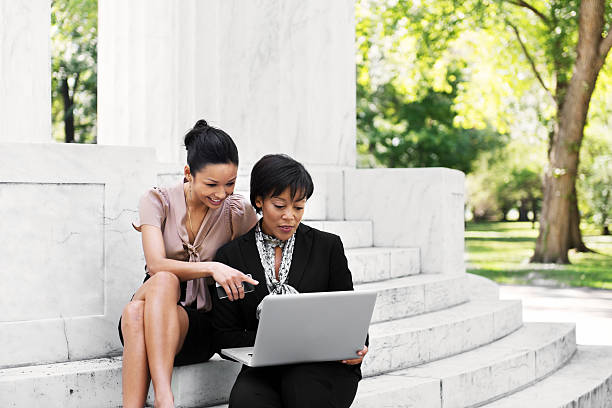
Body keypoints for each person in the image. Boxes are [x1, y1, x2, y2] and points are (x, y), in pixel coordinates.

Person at [118, 120, 259, 408]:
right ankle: (164, 398)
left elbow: (268, 246)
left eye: (230, 183)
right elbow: (156, 264)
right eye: (211, 184)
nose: (221, 193)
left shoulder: (237, 211)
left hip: (195, 326)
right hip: (156, 295)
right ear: (188, 174)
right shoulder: (157, 200)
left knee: (134, 313)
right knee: (164, 280)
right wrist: (211, 267)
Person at [211, 154, 368, 408]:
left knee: (304, 391)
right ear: (259, 201)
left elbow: (350, 317)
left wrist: (358, 349)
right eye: (280, 205)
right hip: (264, 367)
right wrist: (272, 341)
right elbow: (223, 336)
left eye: (298, 207)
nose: (290, 216)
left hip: (324, 366)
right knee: (245, 403)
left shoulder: (328, 247)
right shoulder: (231, 257)